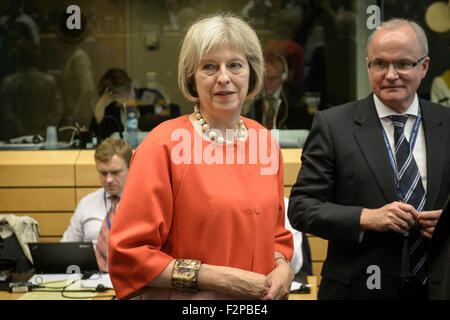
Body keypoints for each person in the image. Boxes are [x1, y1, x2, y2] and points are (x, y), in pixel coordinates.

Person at [108, 13, 294, 300]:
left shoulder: (264, 141)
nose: (224, 78)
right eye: (209, 67)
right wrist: (219, 278)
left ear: (252, 72)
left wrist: (283, 267)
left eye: (235, 65)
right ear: (191, 78)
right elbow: (129, 254)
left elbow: (277, 236)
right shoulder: (163, 145)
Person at [288, 18, 450, 300]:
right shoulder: (333, 125)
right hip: (358, 289)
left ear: (423, 66)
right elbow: (301, 208)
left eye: (402, 64)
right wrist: (367, 218)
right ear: (368, 66)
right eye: (380, 64)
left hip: (437, 285)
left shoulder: (446, 123)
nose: (390, 74)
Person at [61, 138, 132, 272]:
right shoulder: (87, 203)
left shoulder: (145, 203)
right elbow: (66, 249)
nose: (109, 180)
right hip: (91, 279)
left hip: (131, 278)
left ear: (131, 167)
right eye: (103, 173)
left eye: (115, 172)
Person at [244, 52, 310, 130]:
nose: (266, 83)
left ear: (283, 77)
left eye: (273, 78)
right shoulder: (252, 101)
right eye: (264, 78)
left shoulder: (296, 104)